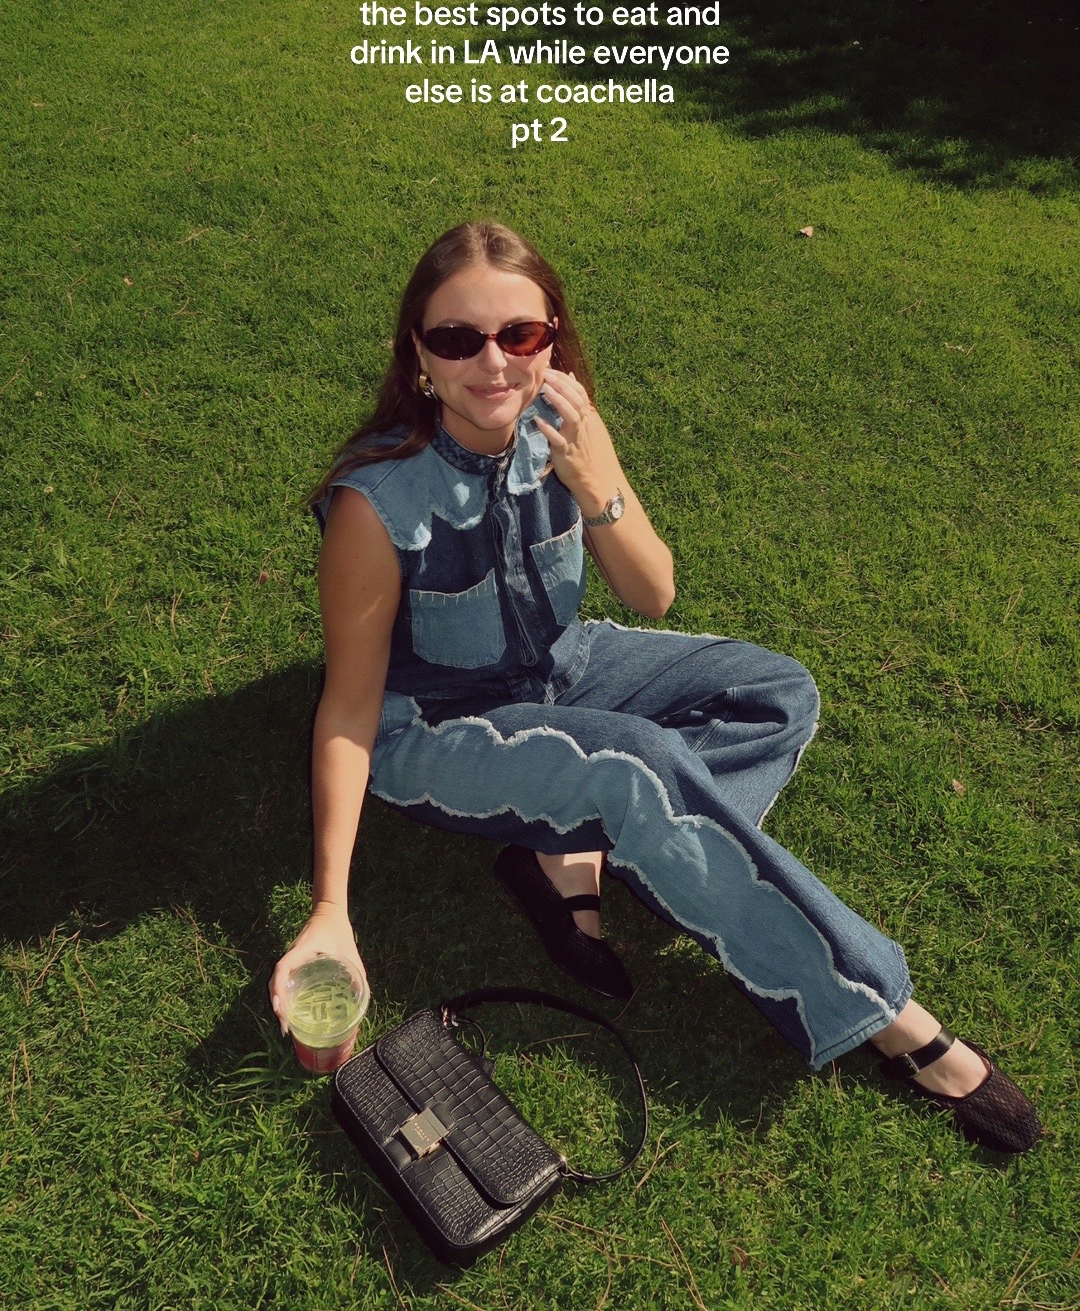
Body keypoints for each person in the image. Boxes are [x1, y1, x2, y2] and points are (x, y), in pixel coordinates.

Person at [269, 220, 1042, 1154]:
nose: (494, 363)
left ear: (551, 337)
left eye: (519, 334)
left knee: (776, 692)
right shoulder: (377, 503)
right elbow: (349, 711)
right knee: (639, 766)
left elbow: (653, 591)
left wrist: (594, 479)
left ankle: (604, 846)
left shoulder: (565, 424)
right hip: (433, 724)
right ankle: (886, 1016)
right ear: (419, 355)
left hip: (560, 669)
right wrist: (330, 907)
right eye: (458, 339)